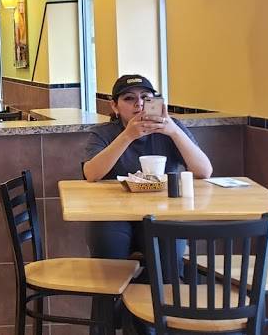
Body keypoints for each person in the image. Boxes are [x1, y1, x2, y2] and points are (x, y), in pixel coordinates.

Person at [81, 74, 213, 334]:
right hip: (112, 216)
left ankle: (151, 325)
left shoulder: (171, 129)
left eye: (146, 98)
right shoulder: (104, 133)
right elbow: (91, 174)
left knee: (167, 267)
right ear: (115, 106)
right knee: (109, 270)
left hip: (160, 215)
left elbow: (204, 171)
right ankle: (107, 323)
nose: (138, 104)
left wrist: (173, 130)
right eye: (129, 99)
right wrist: (127, 136)